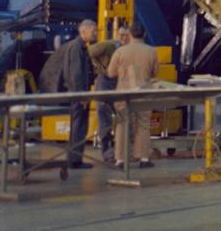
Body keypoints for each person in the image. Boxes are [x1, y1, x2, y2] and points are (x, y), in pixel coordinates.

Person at [37, 19, 97, 167]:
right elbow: (75, 74)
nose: (95, 33)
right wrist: (81, 95)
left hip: (79, 93)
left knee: (79, 126)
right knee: (78, 126)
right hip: (78, 95)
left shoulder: (81, 47)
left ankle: (75, 159)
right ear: (84, 31)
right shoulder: (76, 48)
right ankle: (75, 161)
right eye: (93, 31)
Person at [105, 22, 160, 168]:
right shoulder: (151, 51)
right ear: (144, 34)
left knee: (122, 124)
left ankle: (120, 159)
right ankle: (143, 158)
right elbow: (155, 72)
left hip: (124, 93)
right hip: (144, 93)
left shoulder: (120, 51)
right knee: (143, 125)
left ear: (129, 34)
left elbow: (110, 73)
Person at [88, 25, 130, 163]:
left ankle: (123, 152)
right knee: (104, 117)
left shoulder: (130, 49)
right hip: (105, 82)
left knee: (124, 116)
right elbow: (89, 52)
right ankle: (108, 153)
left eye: (127, 35)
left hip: (121, 82)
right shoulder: (108, 45)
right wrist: (99, 67)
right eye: (121, 35)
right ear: (117, 35)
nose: (124, 38)